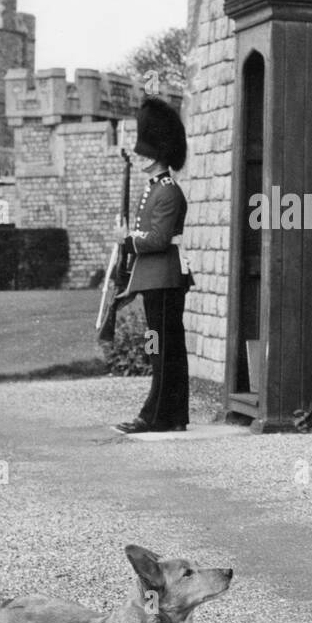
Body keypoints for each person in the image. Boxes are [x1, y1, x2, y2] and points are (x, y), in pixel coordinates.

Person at [112, 97, 193, 434]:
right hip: (153, 278)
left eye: (146, 151)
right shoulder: (155, 189)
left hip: (164, 277)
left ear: (159, 154)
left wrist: (127, 239)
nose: (140, 156)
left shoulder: (168, 191)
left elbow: (157, 239)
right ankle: (172, 414)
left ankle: (155, 414)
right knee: (161, 347)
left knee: (162, 347)